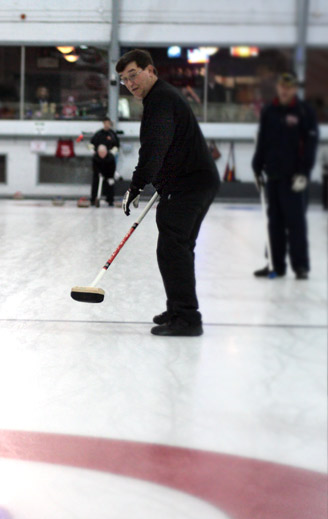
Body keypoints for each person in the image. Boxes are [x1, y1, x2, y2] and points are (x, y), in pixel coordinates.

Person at [117, 49, 220, 337]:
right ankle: (178, 309)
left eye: (134, 75)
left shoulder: (160, 99)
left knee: (173, 248)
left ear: (151, 70)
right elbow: (164, 148)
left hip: (189, 184)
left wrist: (137, 185)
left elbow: (154, 149)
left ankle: (187, 318)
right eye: (124, 80)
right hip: (192, 182)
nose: (130, 83)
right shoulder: (159, 98)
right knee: (178, 248)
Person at [251, 73, 319, 280]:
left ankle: (300, 266)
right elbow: (262, 140)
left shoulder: (304, 111)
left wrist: (304, 173)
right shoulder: (269, 111)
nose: (285, 90)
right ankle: (275, 264)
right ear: (278, 87)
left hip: (294, 178)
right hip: (273, 175)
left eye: (289, 87)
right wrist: (256, 166)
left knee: (295, 222)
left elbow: (310, 144)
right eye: (282, 86)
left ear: (295, 89)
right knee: (274, 222)